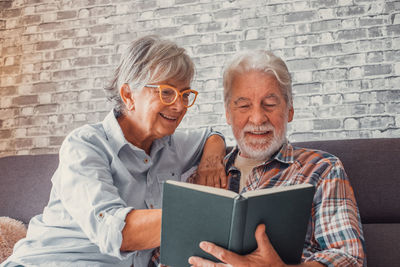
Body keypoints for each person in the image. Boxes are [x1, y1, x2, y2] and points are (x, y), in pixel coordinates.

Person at [2, 35, 227, 267]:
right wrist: (205, 216)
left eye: (185, 94)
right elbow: (116, 232)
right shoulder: (85, 146)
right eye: (166, 92)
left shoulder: (171, 144)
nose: (179, 106)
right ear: (128, 95)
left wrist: (211, 158)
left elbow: (213, 134)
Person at [188, 50, 366, 266]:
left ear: (289, 109)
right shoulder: (200, 178)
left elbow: (349, 258)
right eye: (244, 106)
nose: (257, 118)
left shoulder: (322, 169)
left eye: (270, 104)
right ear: (228, 113)